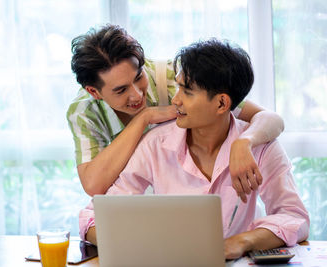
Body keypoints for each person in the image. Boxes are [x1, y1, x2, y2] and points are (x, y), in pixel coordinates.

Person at [79, 39, 309, 259]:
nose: (175, 101)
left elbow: (294, 217)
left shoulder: (261, 147)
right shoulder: (155, 144)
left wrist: (240, 243)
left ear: (221, 103)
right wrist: (136, 242)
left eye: (187, 92)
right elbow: (93, 217)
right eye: (178, 88)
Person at [67, 24, 284, 202]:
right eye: (121, 90)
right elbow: (94, 185)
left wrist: (244, 142)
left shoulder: (176, 78)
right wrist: (144, 118)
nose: (137, 95)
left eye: (138, 76)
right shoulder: (84, 111)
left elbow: (271, 119)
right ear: (94, 92)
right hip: (133, 204)